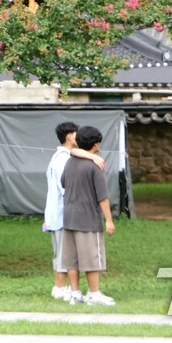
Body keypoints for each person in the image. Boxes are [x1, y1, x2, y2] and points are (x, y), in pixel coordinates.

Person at [43, 121, 105, 301]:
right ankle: (61, 287)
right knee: (66, 255)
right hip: (66, 212)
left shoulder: (60, 156)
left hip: (59, 212)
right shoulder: (64, 159)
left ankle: (62, 287)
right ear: (70, 136)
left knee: (62, 253)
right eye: (77, 133)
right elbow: (67, 187)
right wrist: (93, 158)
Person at [61, 124, 115, 306]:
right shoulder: (95, 166)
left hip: (69, 217)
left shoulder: (69, 162)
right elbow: (103, 197)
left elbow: (63, 182)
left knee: (72, 260)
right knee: (92, 258)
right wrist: (109, 220)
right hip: (88, 219)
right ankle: (94, 294)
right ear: (96, 144)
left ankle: (75, 294)